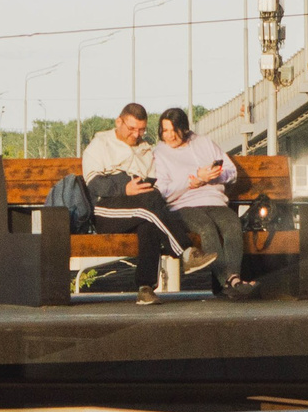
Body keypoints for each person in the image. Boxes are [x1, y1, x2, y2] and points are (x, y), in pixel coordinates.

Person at [81, 102, 190, 306]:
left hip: (140, 207)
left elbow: (153, 181)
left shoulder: (145, 148)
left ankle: (145, 288)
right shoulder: (101, 144)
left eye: (141, 130)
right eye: (131, 128)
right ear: (119, 122)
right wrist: (124, 188)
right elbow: (94, 184)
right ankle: (186, 251)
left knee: (149, 221)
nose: (136, 134)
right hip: (106, 210)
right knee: (149, 207)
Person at [156, 108, 258, 301]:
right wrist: (193, 181)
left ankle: (233, 277)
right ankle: (228, 282)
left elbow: (232, 172)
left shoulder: (204, 143)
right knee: (206, 228)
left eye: (174, 130)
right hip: (182, 205)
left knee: (232, 224)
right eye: (165, 131)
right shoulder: (159, 153)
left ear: (185, 129)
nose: (170, 136)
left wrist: (214, 175)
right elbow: (164, 193)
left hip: (214, 200)